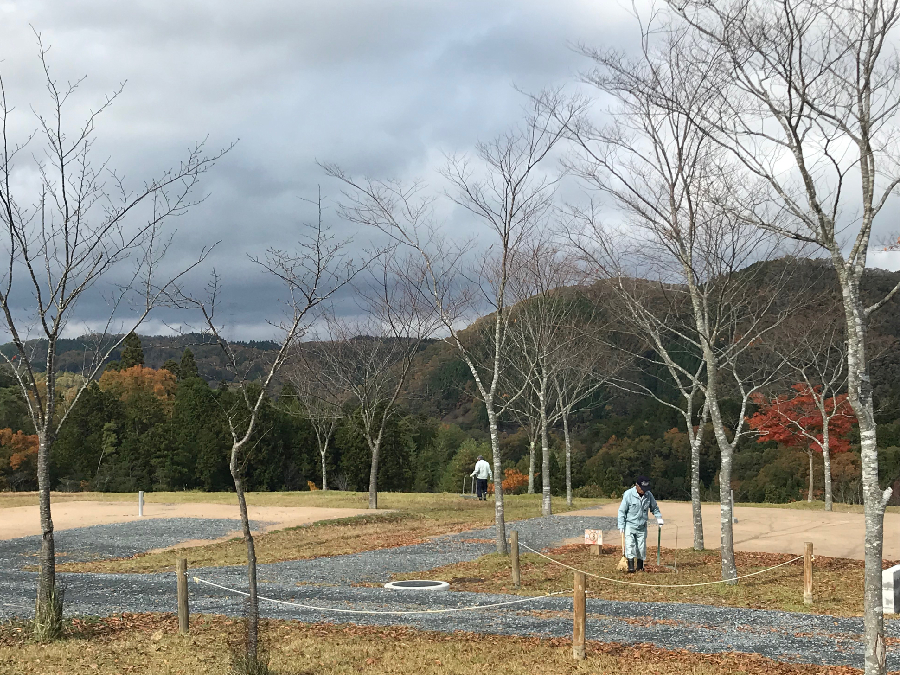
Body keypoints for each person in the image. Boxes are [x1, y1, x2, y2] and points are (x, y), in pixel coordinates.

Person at [617, 475, 663, 573]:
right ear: (637, 486)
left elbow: (654, 507)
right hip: (630, 524)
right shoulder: (628, 494)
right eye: (642, 488)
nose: (644, 491)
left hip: (642, 526)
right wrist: (621, 525)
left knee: (641, 547)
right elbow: (622, 511)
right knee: (630, 545)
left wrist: (658, 517)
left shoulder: (648, 495)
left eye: (646, 489)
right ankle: (630, 567)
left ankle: (640, 566)